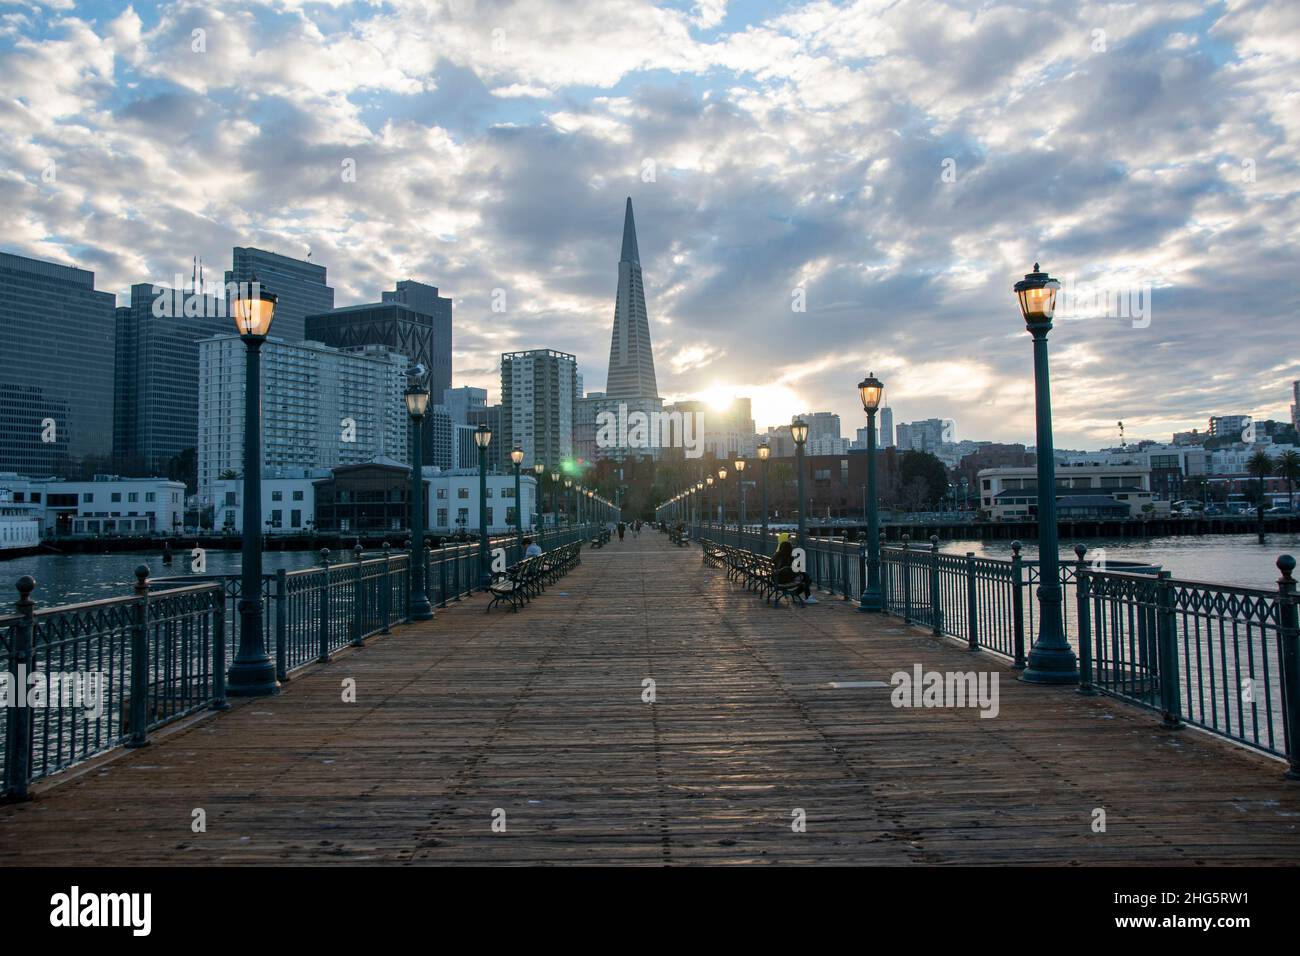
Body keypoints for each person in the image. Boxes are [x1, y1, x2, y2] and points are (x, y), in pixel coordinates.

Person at [772, 532, 811, 602]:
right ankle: (805, 596)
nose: (791, 541)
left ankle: (801, 594)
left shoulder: (777, 553)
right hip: (783, 579)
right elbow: (787, 569)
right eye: (789, 540)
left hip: (776, 578)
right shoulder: (786, 553)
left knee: (804, 575)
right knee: (806, 576)